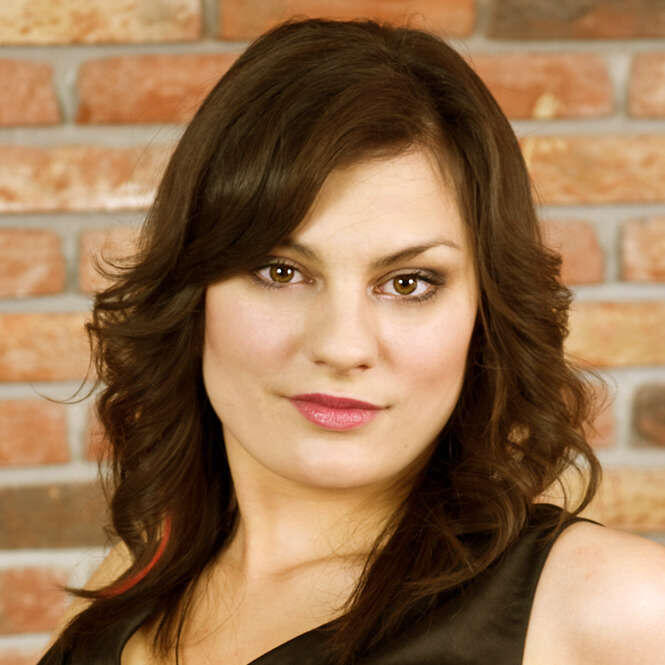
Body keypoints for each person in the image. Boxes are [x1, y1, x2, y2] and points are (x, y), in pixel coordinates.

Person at [38, 16, 665, 665]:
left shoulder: (610, 608)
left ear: (484, 316)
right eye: (280, 272)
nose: (342, 346)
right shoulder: (120, 592)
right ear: (193, 293)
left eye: (408, 283)